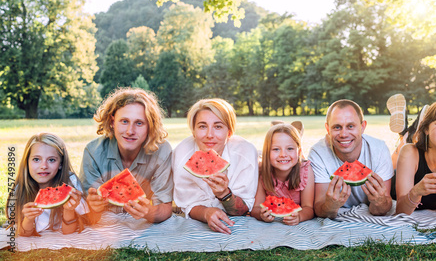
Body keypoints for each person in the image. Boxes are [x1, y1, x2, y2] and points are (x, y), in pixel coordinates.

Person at [80, 88, 173, 224]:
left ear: (150, 126)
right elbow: (88, 214)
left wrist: (149, 212)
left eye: (139, 123)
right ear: (112, 122)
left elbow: (165, 208)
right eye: (124, 121)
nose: (130, 131)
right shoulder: (93, 152)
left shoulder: (162, 150)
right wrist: (93, 207)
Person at [172, 98, 258, 234]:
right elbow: (188, 205)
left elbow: (244, 209)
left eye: (218, 126)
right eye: (202, 126)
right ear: (193, 131)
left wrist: (225, 194)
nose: (209, 135)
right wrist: (206, 213)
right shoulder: (182, 154)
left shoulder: (245, 153)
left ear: (229, 132)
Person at [309, 99, 393, 219]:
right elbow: (319, 208)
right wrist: (330, 206)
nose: (344, 134)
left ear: (362, 127)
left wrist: (380, 202)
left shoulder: (379, 150)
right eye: (337, 127)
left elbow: (380, 210)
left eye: (350, 126)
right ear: (327, 129)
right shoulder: (318, 153)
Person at [8, 133, 88, 236]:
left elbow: (68, 232)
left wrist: (69, 210)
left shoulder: (70, 183)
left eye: (51, 160)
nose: (44, 166)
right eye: (36, 159)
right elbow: (24, 234)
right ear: (27, 162)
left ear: (61, 164)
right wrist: (29, 218)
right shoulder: (20, 190)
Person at [251, 123, 314, 225]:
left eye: (290, 149)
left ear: (299, 152)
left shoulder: (305, 171)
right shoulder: (262, 171)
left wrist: (300, 217)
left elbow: (309, 208)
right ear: (267, 153)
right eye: (276, 149)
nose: (283, 155)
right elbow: (256, 208)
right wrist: (261, 215)